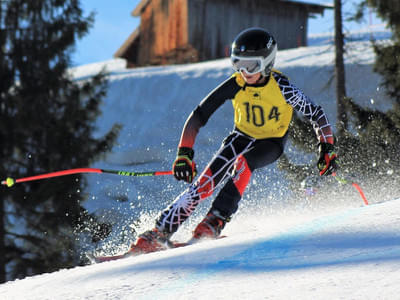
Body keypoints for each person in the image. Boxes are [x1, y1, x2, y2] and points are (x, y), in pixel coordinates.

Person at [129, 27, 337, 253]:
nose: (244, 73)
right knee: (204, 183)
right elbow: (199, 115)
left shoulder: (282, 86)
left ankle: (214, 220)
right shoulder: (236, 83)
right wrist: (184, 154)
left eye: (251, 66)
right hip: (240, 137)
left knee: (243, 164)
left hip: (270, 143)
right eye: (238, 64)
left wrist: (326, 147)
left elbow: (315, 113)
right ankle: (160, 232)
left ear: (266, 64)